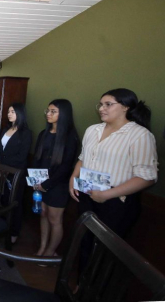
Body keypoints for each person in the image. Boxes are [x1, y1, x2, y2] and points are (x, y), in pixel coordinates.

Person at [69, 88, 157, 272]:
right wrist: (73, 177)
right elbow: (83, 158)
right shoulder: (92, 130)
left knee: (105, 251)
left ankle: (96, 293)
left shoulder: (140, 135)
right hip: (87, 194)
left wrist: (107, 194)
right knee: (84, 242)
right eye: (100, 104)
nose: (102, 108)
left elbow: (147, 177)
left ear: (125, 107)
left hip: (117, 202)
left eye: (108, 104)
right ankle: (79, 287)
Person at [33, 99, 78, 258]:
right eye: (48, 111)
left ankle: (50, 252)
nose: (48, 114)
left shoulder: (69, 137)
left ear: (63, 114)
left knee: (54, 219)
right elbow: (37, 160)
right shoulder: (43, 134)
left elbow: (66, 167)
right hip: (40, 184)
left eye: (53, 111)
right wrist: (35, 180)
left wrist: (47, 184)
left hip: (57, 185)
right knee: (43, 213)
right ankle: (43, 246)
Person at [0, 103, 32, 244]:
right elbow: (0, 150)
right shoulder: (6, 129)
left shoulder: (26, 133)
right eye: (8, 111)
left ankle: (14, 232)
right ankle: (3, 227)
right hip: (2, 171)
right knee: (4, 200)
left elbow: (22, 156)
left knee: (15, 202)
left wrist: (6, 168)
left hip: (16, 173)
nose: (9, 114)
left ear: (20, 113)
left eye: (13, 111)